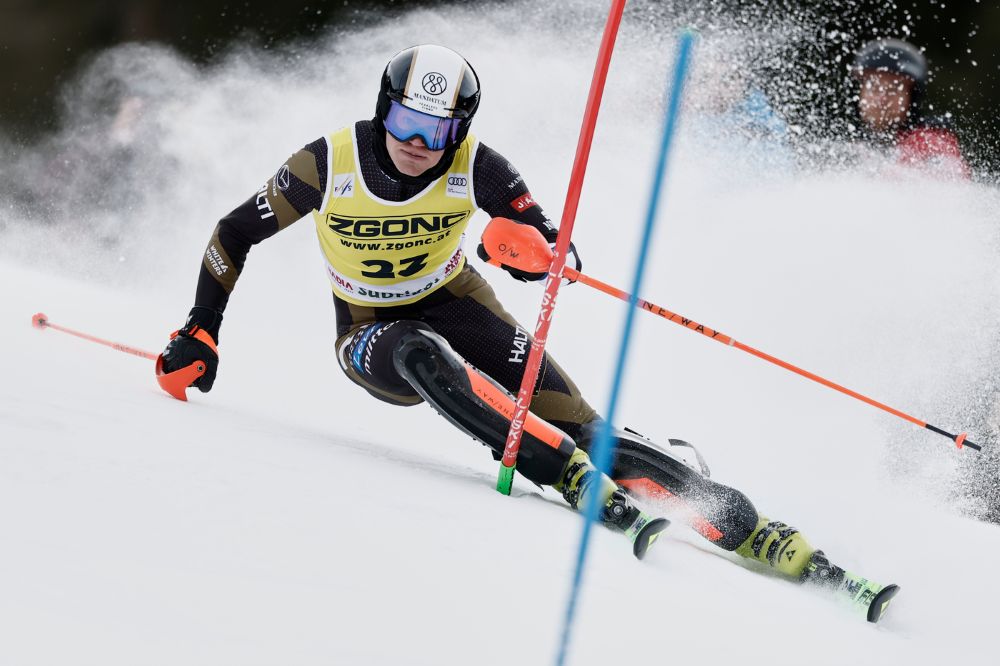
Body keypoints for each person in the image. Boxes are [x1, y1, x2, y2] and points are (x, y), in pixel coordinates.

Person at [160, 44, 897, 619]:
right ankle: (563, 474)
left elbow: (555, 246)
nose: (418, 142)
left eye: (437, 130)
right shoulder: (329, 162)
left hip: (459, 300)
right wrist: (201, 329)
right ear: (384, 109)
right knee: (421, 353)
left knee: (588, 428)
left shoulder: (477, 165)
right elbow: (233, 232)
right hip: (368, 329)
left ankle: (759, 531)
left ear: (460, 129)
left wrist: (529, 254)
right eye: (406, 122)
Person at [853, 38, 970, 178]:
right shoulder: (847, 144)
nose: (882, 99)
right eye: (874, 87)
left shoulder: (930, 142)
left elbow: (949, 177)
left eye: (894, 89)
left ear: (912, 98)